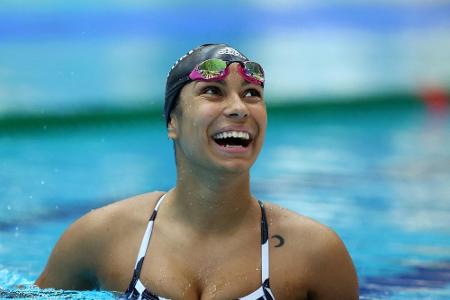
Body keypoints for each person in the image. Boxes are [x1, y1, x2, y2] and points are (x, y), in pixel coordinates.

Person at [36, 43, 359, 299]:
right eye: (213, 91)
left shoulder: (317, 252)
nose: (238, 108)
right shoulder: (100, 236)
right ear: (172, 122)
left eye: (252, 94)